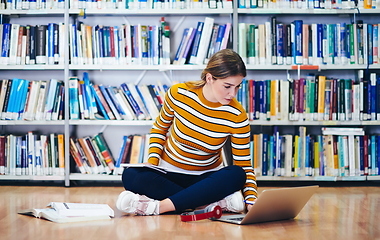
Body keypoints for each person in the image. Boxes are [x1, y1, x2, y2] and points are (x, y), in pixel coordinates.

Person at [116, 49, 258, 216]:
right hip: (169, 173)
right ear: (210, 78)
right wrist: (153, 160)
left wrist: (251, 200)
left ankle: (157, 207)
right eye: (227, 86)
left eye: (237, 87)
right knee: (131, 175)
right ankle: (207, 204)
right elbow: (160, 128)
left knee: (236, 174)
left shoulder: (237, 115)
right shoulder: (179, 94)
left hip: (206, 178)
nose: (232, 94)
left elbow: (244, 166)